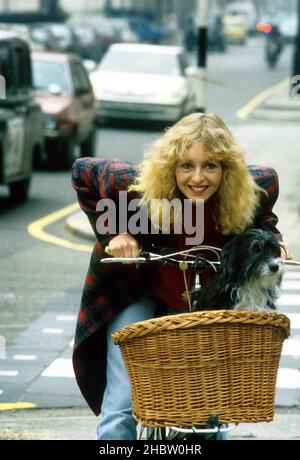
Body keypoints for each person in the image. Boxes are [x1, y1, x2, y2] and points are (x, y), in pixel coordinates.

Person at [71, 113, 292, 440]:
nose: (198, 178)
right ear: (169, 166)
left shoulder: (258, 185)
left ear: (227, 169)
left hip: (206, 293)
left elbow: (262, 220)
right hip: (138, 287)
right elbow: (81, 171)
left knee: (213, 402)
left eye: (211, 166)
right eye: (186, 165)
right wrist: (115, 234)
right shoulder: (132, 183)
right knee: (124, 399)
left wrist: (275, 241)